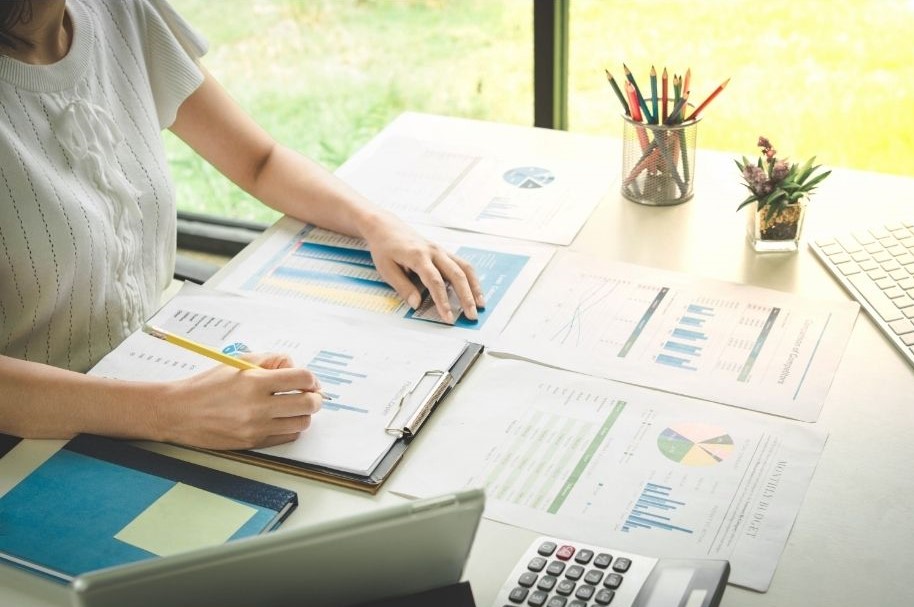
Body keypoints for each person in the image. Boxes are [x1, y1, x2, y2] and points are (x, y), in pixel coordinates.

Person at [0, 0, 485, 450]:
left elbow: (260, 161)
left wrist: (376, 224)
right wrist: (167, 411)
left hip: (152, 372)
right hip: (32, 444)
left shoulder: (118, 12)